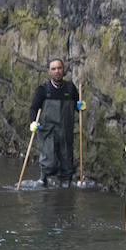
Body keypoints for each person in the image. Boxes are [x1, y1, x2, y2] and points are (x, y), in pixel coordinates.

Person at [27, 58, 80, 187]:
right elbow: (34, 108)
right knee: (49, 161)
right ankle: (43, 179)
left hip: (65, 130)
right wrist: (33, 122)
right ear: (49, 72)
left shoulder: (70, 88)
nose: (57, 71)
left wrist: (80, 107)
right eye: (54, 69)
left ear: (64, 70)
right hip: (47, 130)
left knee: (66, 160)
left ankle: (65, 185)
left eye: (59, 68)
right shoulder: (43, 90)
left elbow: (76, 104)